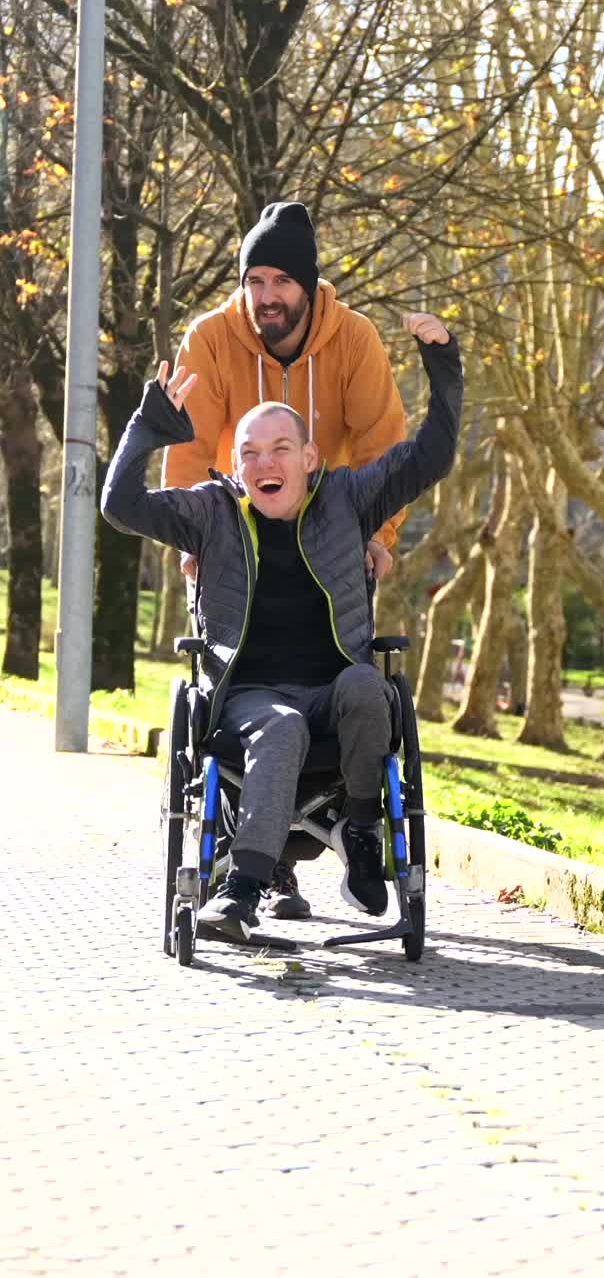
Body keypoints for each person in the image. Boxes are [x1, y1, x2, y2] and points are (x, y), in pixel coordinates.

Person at [101, 312, 463, 942]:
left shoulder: (350, 498)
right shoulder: (212, 512)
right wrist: (147, 428)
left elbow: (431, 455)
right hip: (247, 701)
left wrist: (443, 364)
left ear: (310, 457)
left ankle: (360, 832)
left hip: (332, 693)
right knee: (282, 724)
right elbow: (120, 505)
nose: (264, 462)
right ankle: (241, 891)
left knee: (368, 688)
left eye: (280, 449)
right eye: (249, 453)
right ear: (237, 467)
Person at [164, 199, 408, 919]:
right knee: (252, 687)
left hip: (326, 543)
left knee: (342, 675)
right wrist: (193, 539)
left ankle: (329, 836)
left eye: (281, 282)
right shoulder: (211, 338)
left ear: (308, 286)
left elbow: (386, 446)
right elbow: (184, 447)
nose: (266, 297)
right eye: (255, 282)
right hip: (234, 540)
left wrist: (376, 534)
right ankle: (252, 860)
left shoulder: (354, 339)